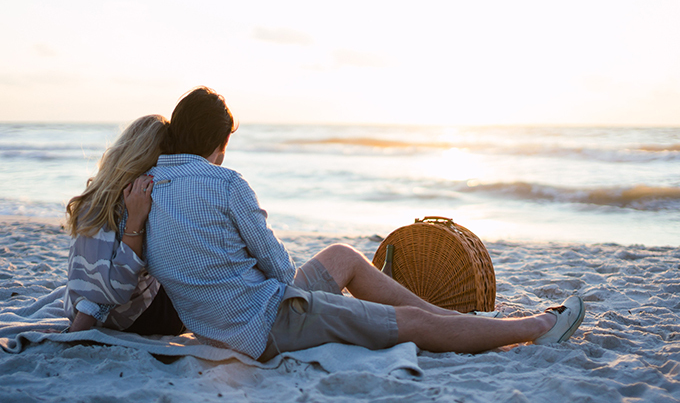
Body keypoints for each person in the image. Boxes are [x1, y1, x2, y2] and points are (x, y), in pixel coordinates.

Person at [145, 87, 586, 361]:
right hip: (268, 326)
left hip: (227, 322)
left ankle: (460, 319)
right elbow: (280, 273)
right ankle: (539, 327)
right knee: (408, 322)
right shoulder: (225, 183)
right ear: (220, 141)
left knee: (342, 257)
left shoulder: (146, 187)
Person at [64, 115, 184, 335]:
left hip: (76, 308)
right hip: (135, 318)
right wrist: (135, 222)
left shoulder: (93, 196)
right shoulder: (140, 198)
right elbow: (117, 287)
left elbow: (93, 276)